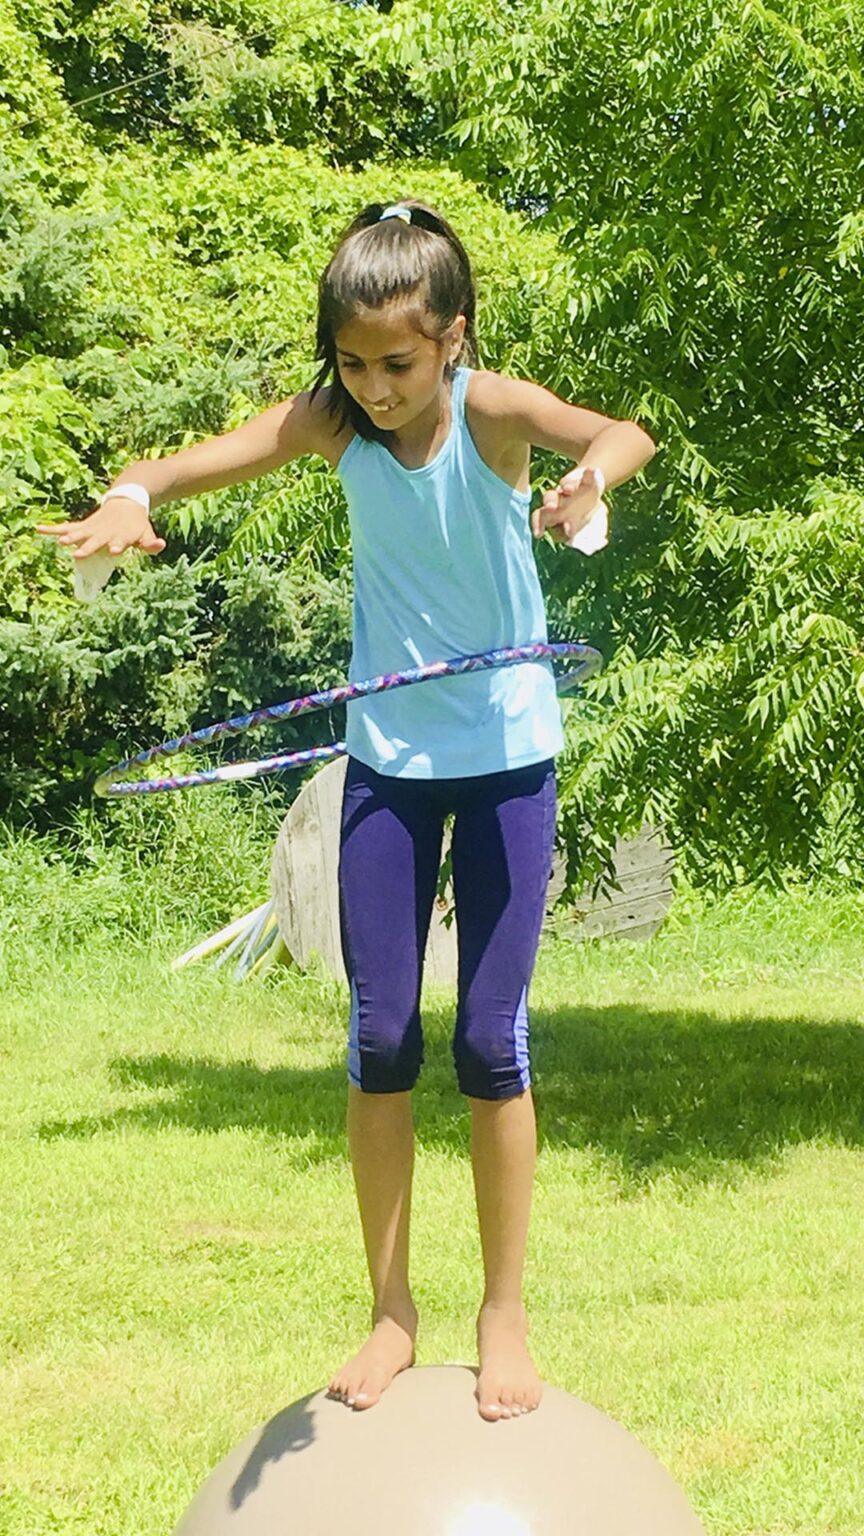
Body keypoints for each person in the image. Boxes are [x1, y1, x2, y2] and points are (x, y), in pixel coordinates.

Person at [38, 198, 656, 1421]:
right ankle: (390, 1312)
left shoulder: (487, 412)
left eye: (399, 363)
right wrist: (129, 496)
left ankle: (503, 1314)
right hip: (387, 758)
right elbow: (179, 466)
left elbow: (618, 431)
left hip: (506, 756)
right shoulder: (334, 425)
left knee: (489, 1040)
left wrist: (586, 484)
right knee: (380, 1039)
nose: (374, 389)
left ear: (453, 338)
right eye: (355, 363)